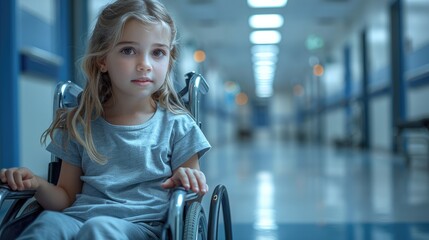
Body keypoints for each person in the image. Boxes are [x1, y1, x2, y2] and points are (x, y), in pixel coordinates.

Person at [0, 0, 211, 239]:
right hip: (78, 220)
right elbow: (65, 199)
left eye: (158, 53)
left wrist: (191, 180)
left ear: (169, 60)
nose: (145, 65)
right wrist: (36, 184)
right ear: (102, 60)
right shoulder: (80, 125)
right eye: (128, 51)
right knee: (48, 224)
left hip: (143, 228)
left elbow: (192, 201)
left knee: (99, 229)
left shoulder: (178, 126)